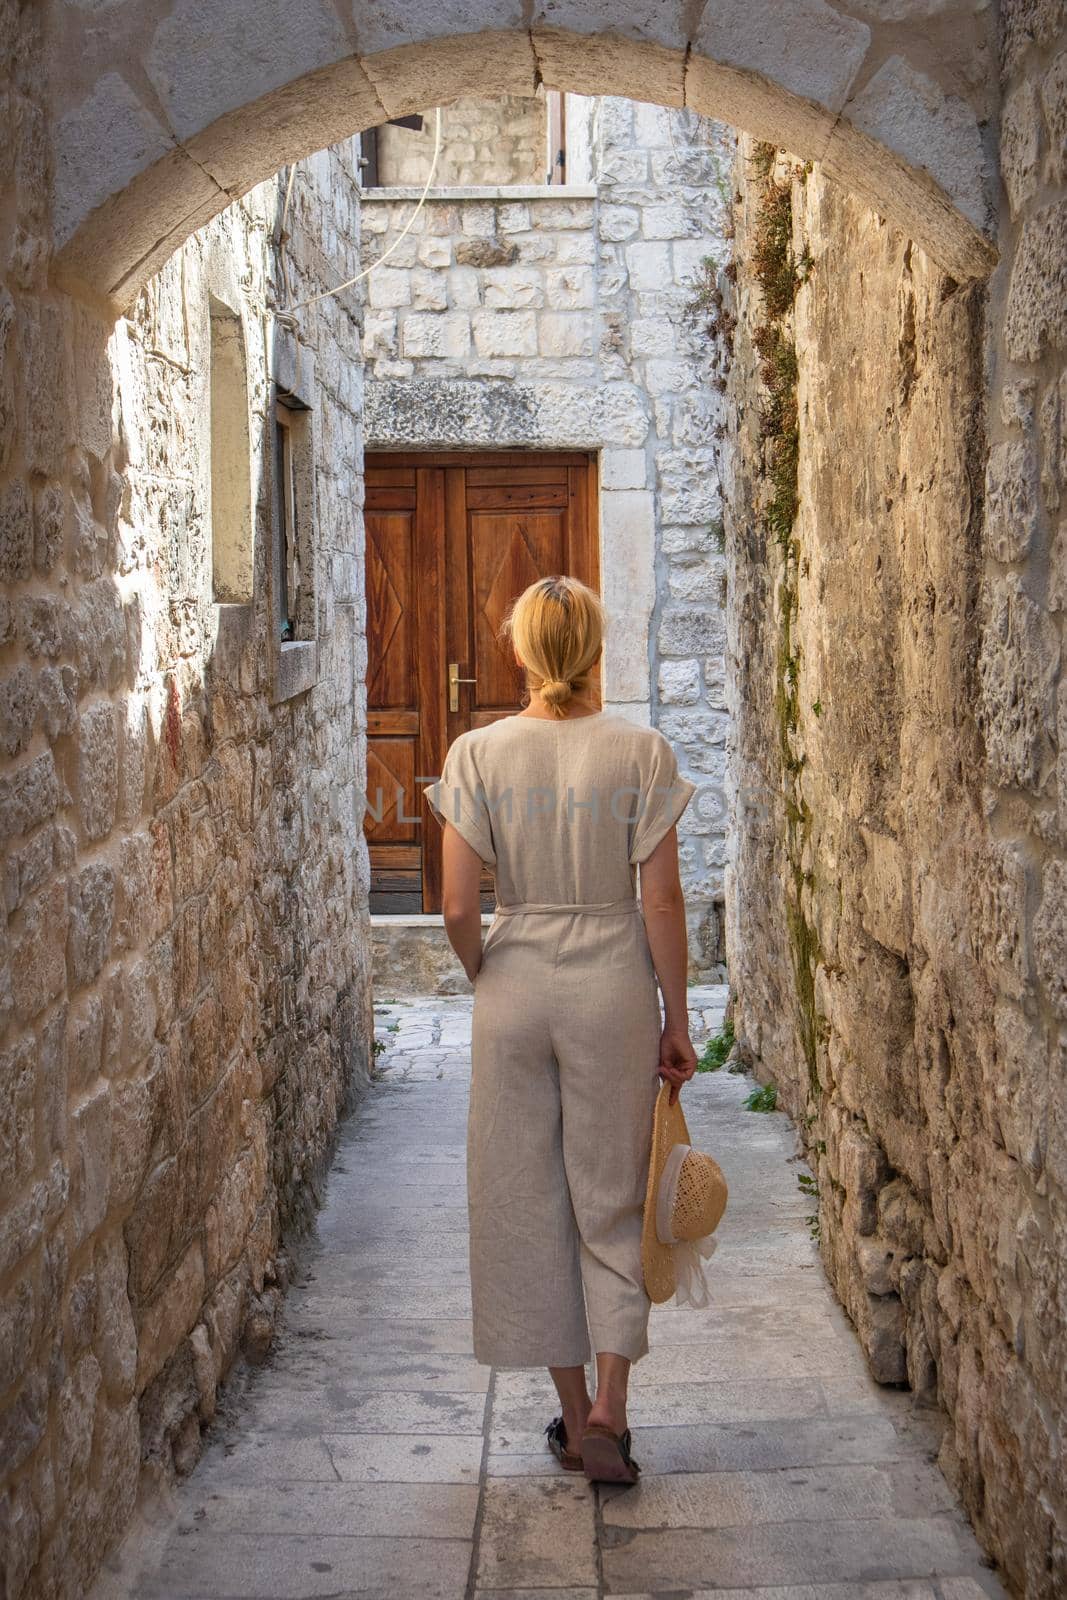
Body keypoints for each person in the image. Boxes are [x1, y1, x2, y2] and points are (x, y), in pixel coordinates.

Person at [424, 574, 698, 1485]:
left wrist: (483, 969)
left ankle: (575, 1415)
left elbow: (460, 904)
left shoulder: (476, 753)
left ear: (519, 650)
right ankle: (615, 1409)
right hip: (611, 983)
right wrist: (676, 1016)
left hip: (517, 978)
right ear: (596, 649)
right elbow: (659, 897)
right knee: (611, 1191)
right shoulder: (641, 752)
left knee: (523, 1197)